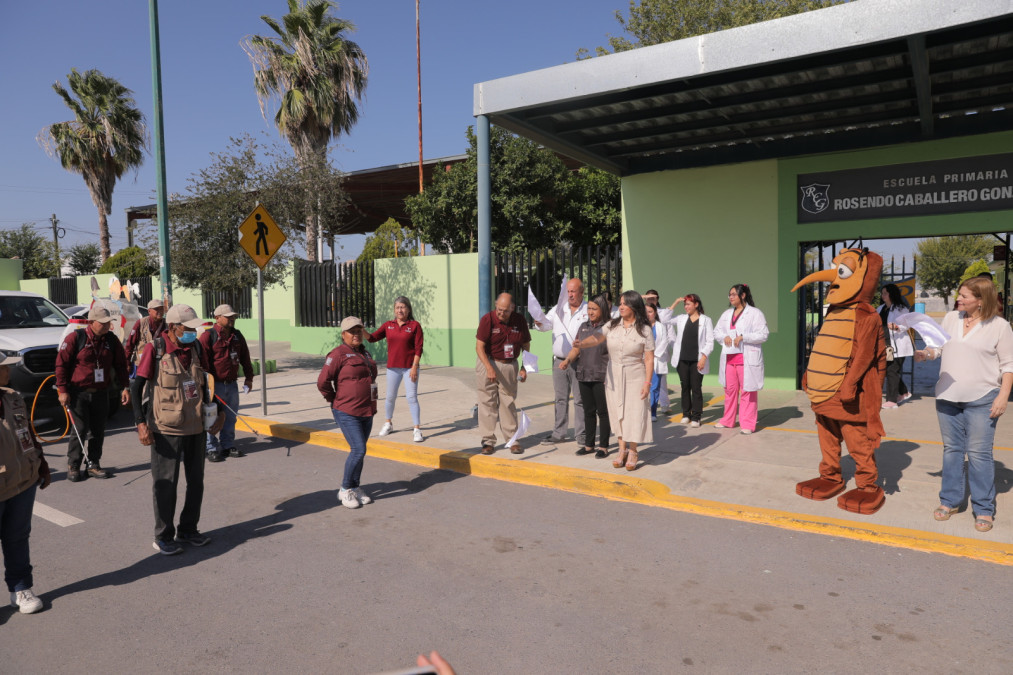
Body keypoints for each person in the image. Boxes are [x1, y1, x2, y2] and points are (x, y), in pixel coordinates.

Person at [916, 277, 1013, 533]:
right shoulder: (951, 319)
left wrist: (1003, 396)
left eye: (965, 296)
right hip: (947, 396)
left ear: (981, 301)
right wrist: (926, 354)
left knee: (979, 455)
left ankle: (983, 508)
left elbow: (1008, 366)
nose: (959, 299)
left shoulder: (1000, 326)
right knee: (952, 450)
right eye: (960, 295)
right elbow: (937, 347)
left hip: (983, 398)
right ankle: (950, 501)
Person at [132, 304, 224, 555]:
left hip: (195, 427)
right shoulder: (156, 348)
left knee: (196, 482)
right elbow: (137, 386)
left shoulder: (195, 347)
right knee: (166, 484)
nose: (193, 332)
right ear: (173, 327)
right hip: (165, 428)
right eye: (188, 327)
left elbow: (206, 382)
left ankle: (188, 530)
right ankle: (163, 536)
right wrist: (141, 423)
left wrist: (218, 411)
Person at [574, 291, 654, 471]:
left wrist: (647, 383)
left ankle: (633, 451)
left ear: (634, 306)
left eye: (625, 304)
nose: (622, 307)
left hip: (635, 374)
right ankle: (621, 449)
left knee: (634, 412)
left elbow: (649, 359)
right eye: (621, 303)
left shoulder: (645, 329)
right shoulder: (612, 325)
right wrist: (582, 344)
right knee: (617, 412)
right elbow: (597, 337)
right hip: (613, 374)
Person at [55, 305, 131, 482]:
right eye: (102, 323)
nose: (106, 326)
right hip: (78, 392)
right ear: (91, 322)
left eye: (108, 323)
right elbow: (61, 365)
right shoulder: (76, 338)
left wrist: (125, 387)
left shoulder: (111, 341)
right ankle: (73, 465)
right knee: (80, 429)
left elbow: (121, 365)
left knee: (98, 430)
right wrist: (63, 390)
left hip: (101, 392)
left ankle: (93, 464)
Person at [0, 353, 51, 615]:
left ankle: (20, 588)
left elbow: (27, 432)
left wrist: (41, 463)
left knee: (17, 537)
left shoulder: (13, 396)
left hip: (22, 481)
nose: (7, 371)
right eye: (3, 367)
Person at [318, 316, 379, 509]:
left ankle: (355, 487)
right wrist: (333, 399)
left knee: (360, 452)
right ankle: (344, 489)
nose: (356, 334)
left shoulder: (365, 353)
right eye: (352, 331)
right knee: (358, 450)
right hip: (346, 411)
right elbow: (322, 382)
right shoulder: (337, 354)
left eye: (359, 330)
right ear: (343, 334)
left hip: (366, 410)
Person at [475, 292, 531, 455]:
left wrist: (523, 367)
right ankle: (488, 441)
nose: (501, 313)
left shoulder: (519, 321)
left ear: (512, 308)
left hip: (509, 365)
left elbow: (526, 344)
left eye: (505, 310)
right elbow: (479, 347)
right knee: (487, 402)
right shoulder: (488, 319)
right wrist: (489, 367)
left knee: (508, 402)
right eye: (499, 309)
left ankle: (512, 440)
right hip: (488, 362)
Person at [534, 278, 588, 445]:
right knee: (560, 398)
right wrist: (539, 322)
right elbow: (545, 326)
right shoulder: (558, 309)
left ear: (581, 292)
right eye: (568, 291)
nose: (570, 295)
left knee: (580, 399)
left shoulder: (588, 309)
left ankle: (582, 435)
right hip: (559, 362)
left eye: (573, 291)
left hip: (581, 361)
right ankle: (559, 433)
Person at [558, 294, 611, 458]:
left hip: (601, 376)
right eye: (589, 308)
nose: (590, 312)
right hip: (584, 374)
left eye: (594, 309)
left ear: (602, 309)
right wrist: (568, 359)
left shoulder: (608, 327)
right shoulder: (583, 326)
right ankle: (589, 445)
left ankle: (603, 446)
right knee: (588, 411)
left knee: (603, 412)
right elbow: (577, 348)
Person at [201, 304, 254, 463]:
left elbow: (245, 357)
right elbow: (202, 363)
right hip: (213, 385)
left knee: (230, 417)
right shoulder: (208, 336)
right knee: (211, 418)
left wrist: (249, 378)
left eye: (233, 316)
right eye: (228, 316)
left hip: (231, 384)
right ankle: (211, 448)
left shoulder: (237, 335)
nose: (232, 319)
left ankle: (227, 445)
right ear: (217, 318)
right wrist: (206, 387)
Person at [368, 296, 425, 442]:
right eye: (397, 307)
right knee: (390, 397)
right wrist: (360, 329)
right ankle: (388, 423)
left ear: (408, 309)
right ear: (394, 310)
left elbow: (419, 349)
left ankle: (417, 429)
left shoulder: (414, 326)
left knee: (411, 397)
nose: (400, 310)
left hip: (409, 368)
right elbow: (372, 338)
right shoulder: (388, 325)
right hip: (393, 368)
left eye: (403, 307)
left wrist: (414, 367)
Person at [714, 284, 769, 434]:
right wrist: (724, 336)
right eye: (729, 294)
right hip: (729, 359)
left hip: (746, 359)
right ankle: (727, 420)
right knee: (730, 390)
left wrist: (744, 337)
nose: (730, 297)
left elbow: (763, 334)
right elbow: (717, 331)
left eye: (733, 294)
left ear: (743, 295)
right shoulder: (726, 314)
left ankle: (748, 424)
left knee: (747, 392)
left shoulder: (755, 313)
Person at [666, 294, 714, 428]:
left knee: (696, 388)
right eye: (685, 304)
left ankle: (696, 417)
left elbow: (710, 341)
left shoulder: (706, 320)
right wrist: (675, 302)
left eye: (688, 304)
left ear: (696, 304)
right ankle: (686, 414)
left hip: (697, 360)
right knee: (685, 387)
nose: (686, 307)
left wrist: (703, 357)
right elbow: (664, 318)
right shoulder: (681, 319)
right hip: (682, 359)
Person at [879, 283, 913, 409]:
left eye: (885, 293)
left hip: (897, 345)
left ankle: (892, 401)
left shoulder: (901, 309)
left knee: (892, 370)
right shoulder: (881, 308)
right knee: (890, 371)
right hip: (885, 345)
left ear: (891, 294)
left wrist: (897, 327)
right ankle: (904, 392)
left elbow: (907, 324)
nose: (883, 296)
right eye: (882, 293)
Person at [123, 298, 166, 369]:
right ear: (149, 311)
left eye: (161, 309)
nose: (160, 311)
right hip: (143, 363)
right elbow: (130, 344)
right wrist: (127, 362)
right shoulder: (141, 323)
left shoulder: (167, 324)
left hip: (162, 364)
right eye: (156, 309)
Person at [645, 302, 671, 422]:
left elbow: (664, 341)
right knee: (642, 387)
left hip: (656, 359)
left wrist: (653, 354)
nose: (647, 314)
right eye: (645, 312)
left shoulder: (660, 326)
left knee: (654, 388)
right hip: (642, 360)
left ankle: (653, 412)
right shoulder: (639, 326)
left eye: (650, 312)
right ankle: (643, 412)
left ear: (655, 313)